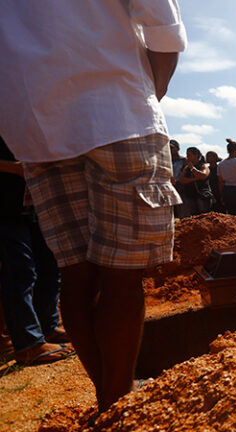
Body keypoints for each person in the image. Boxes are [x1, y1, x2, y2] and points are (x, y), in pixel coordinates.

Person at [0, 0, 186, 411]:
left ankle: (108, 400)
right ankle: (117, 404)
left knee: (77, 271)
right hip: (117, 111)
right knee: (121, 278)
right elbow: (162, 24)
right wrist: (148, 95)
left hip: (38, 128)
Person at [0, 137, 74, 366]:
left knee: (49, 266)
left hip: (33, 199)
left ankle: (48, 328)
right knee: (20, 271)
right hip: (4, 204)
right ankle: (28, 344)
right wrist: (14, 168)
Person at [177, 147, 212, 216]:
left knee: (203, 216)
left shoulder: (203, 165)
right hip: (190, 196)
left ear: (196, 155)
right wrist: (195, 179)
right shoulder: (186, 168)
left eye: (189, 155)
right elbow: (181, 180)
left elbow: (203, 175)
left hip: (202, 196)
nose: (187, 157)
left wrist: (193, 169)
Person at [169, 139, 187, 218]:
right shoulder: (167, 161)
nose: (170, 150)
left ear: (178, 148)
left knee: (182, 211)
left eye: (172, 148)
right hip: (169, 187)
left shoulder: (184, 160)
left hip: (181, 188)